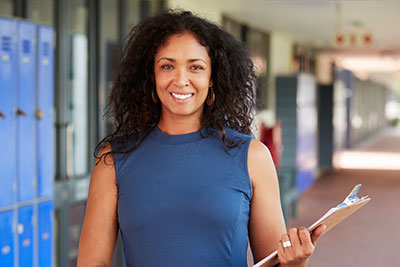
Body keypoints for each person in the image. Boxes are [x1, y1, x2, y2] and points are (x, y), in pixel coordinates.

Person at [77, 10, 325, 267]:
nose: (181, 80)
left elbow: (272, 262)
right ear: (151, 76)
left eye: (196, 67)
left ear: (212, 78)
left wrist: (296, 263)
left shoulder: (251, 157)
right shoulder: (114, 160)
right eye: (167, 66)